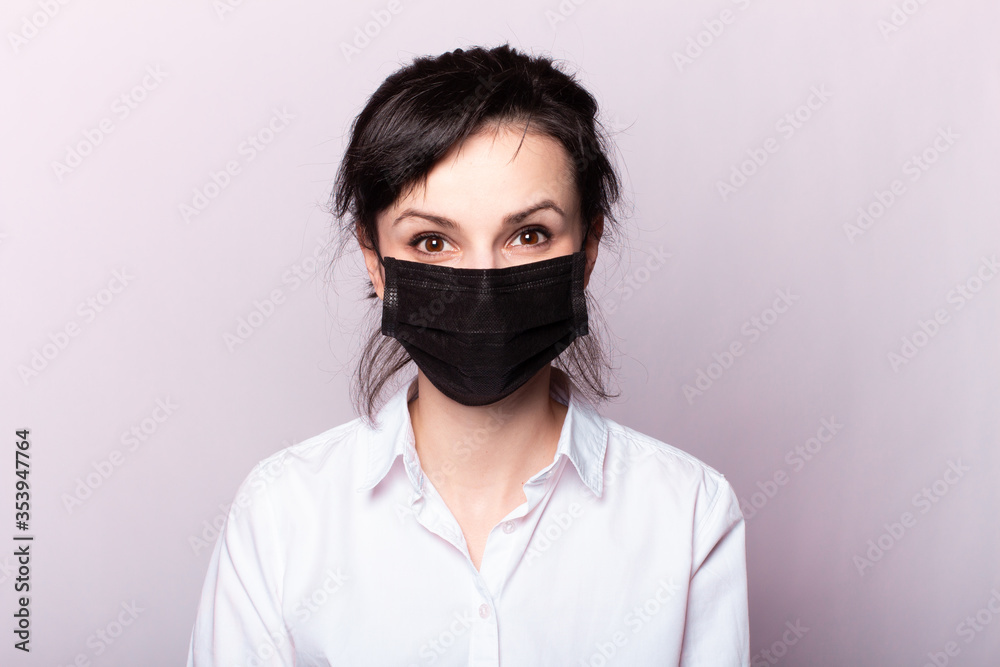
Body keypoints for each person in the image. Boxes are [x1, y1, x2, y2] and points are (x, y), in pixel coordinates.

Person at [187, 43, 749, 666]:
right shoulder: (280, 515)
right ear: (375, 260)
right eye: (432, 241)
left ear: (587, 250)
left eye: (528, 235)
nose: (484, 280)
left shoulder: (688, 514)